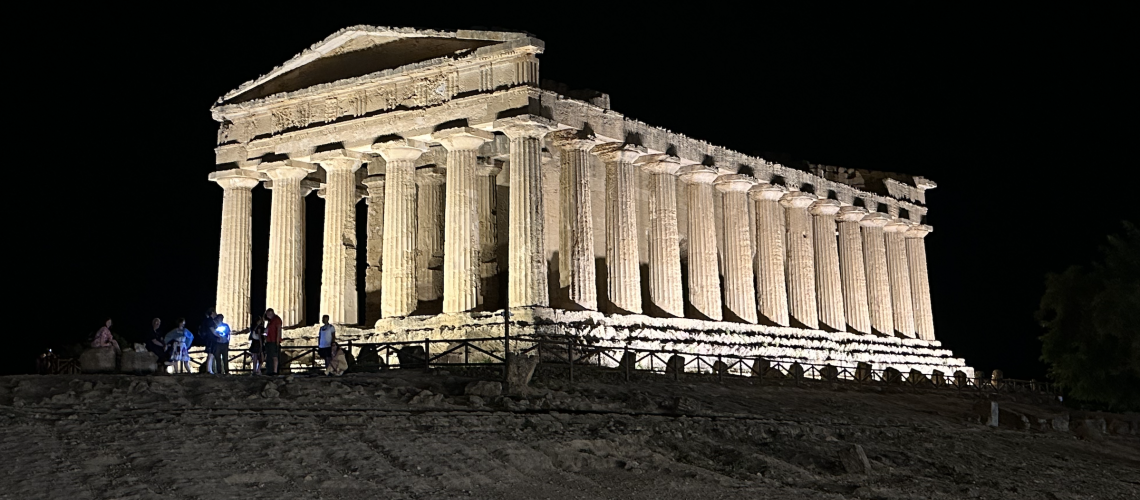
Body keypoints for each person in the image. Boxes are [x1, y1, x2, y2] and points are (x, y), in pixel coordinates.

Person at [264, 309, 283, 376]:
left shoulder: (277, 319)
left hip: (274, 341)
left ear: (271, 313)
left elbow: (278, 330)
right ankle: (270, 370)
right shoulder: (270, 321)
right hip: (269, 340)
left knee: (274, 356)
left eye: (267, 314)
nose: (266, 316)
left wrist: (277, 340)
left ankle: (275, 371)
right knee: (270, 356)